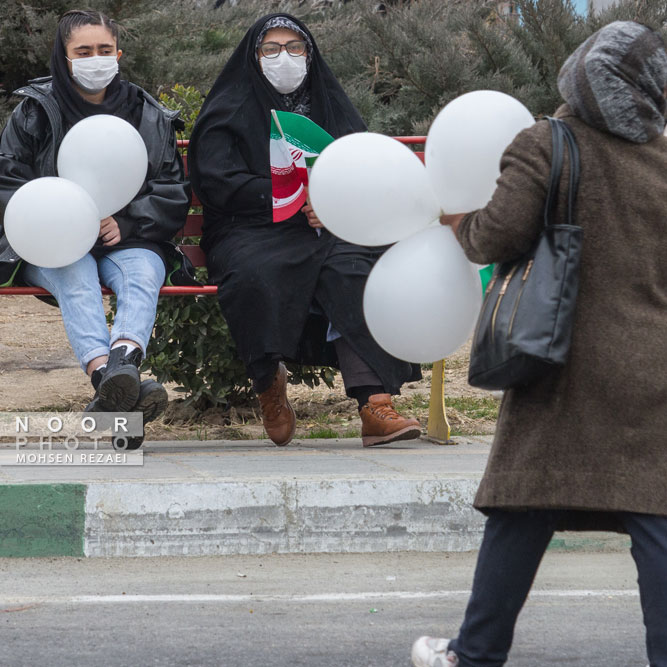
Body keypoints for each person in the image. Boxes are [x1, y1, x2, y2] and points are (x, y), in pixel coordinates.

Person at [411, 21, 667, 667]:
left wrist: (458, 224)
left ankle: (475, 653)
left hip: (559, 361)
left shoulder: (546, 142)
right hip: (649, 362)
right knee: (652, 514)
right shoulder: (661, 159)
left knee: (521, 504)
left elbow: (496, 236)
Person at [189, 13, 421, 447]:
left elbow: (361, 167)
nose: (285, 58)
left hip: (326, 228)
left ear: (310, 55)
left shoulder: (328, 104)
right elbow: (219, 182)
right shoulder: (229, 109)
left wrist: (333, 202)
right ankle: (267, 385)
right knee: (255, 276)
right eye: (271, 49)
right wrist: (291, 200)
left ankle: (376, 404)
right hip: (249, 229)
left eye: (295, 48)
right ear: (253, 56)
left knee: (353, 270)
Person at [0, 9, 190, 447]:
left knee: (144, 274)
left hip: (128, 239)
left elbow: (171, 189)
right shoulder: (35, 111)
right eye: (82, 51)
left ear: (118, 54)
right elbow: (8, 182)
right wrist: (64, 215)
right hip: (51, 244)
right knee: (77, 274)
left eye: (104, 50)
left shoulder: (146, 113)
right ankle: (114, 380)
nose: (95, 59)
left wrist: (127, 220)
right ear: (63, 58)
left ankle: (118, 369)